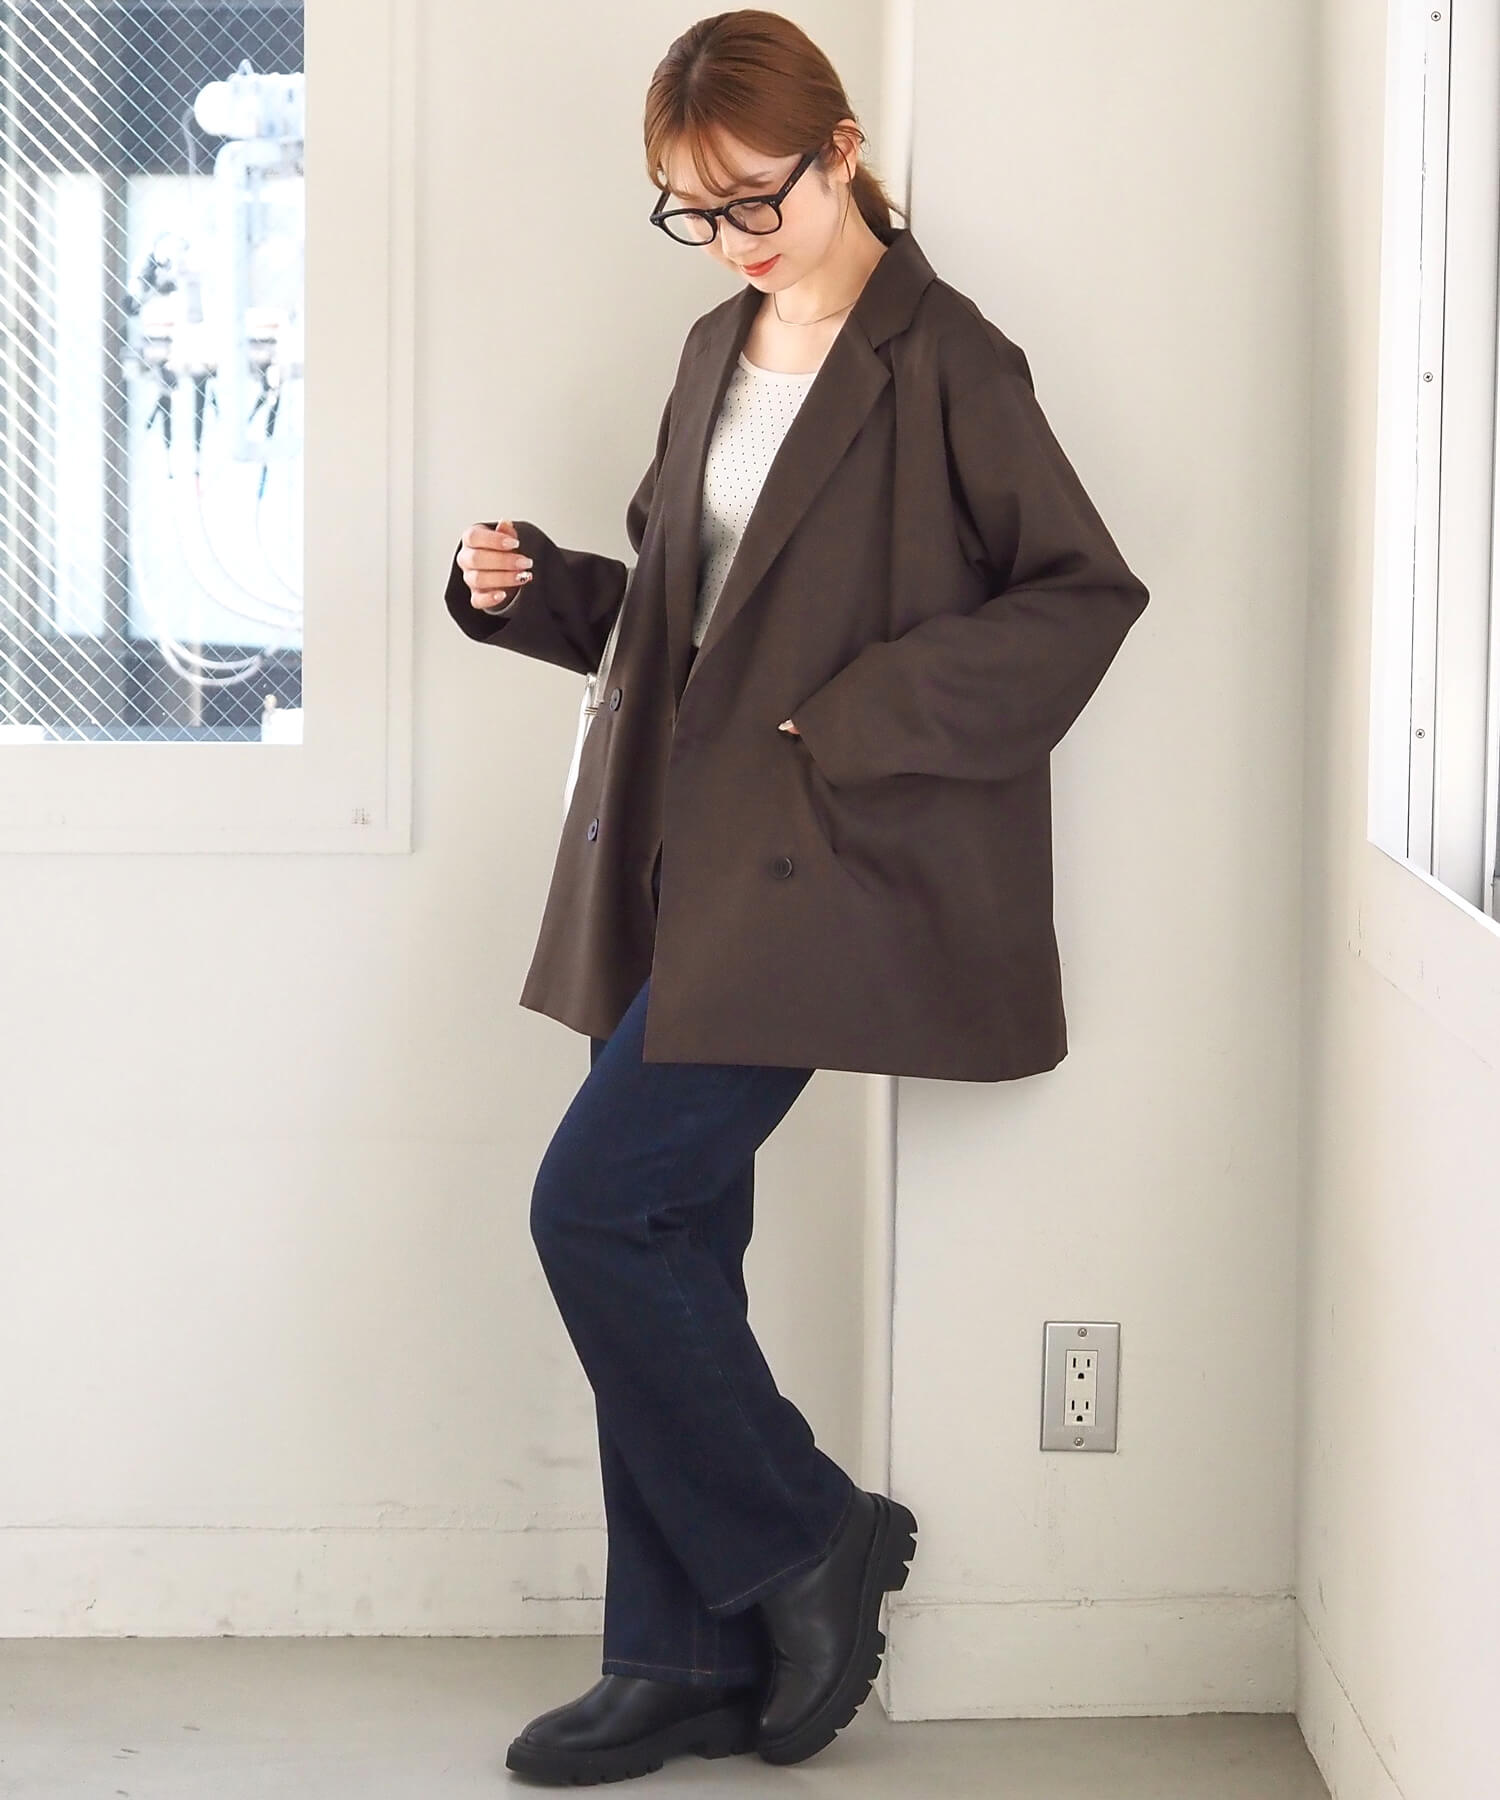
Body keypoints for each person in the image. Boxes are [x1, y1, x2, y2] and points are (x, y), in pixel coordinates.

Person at [447, 9, 1148, 1787]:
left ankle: (807, 1536)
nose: (732, 238)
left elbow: (1081, 596)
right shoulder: (715, 346)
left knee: (596, 1212)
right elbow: (684, 620)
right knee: (673, 1240)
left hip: (813, 869)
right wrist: (533, 595)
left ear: (842, 151)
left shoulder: (946, 358)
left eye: (755, 196)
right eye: (692, 211)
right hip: (671, 857)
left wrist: (857, 718)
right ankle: (675, 1657)